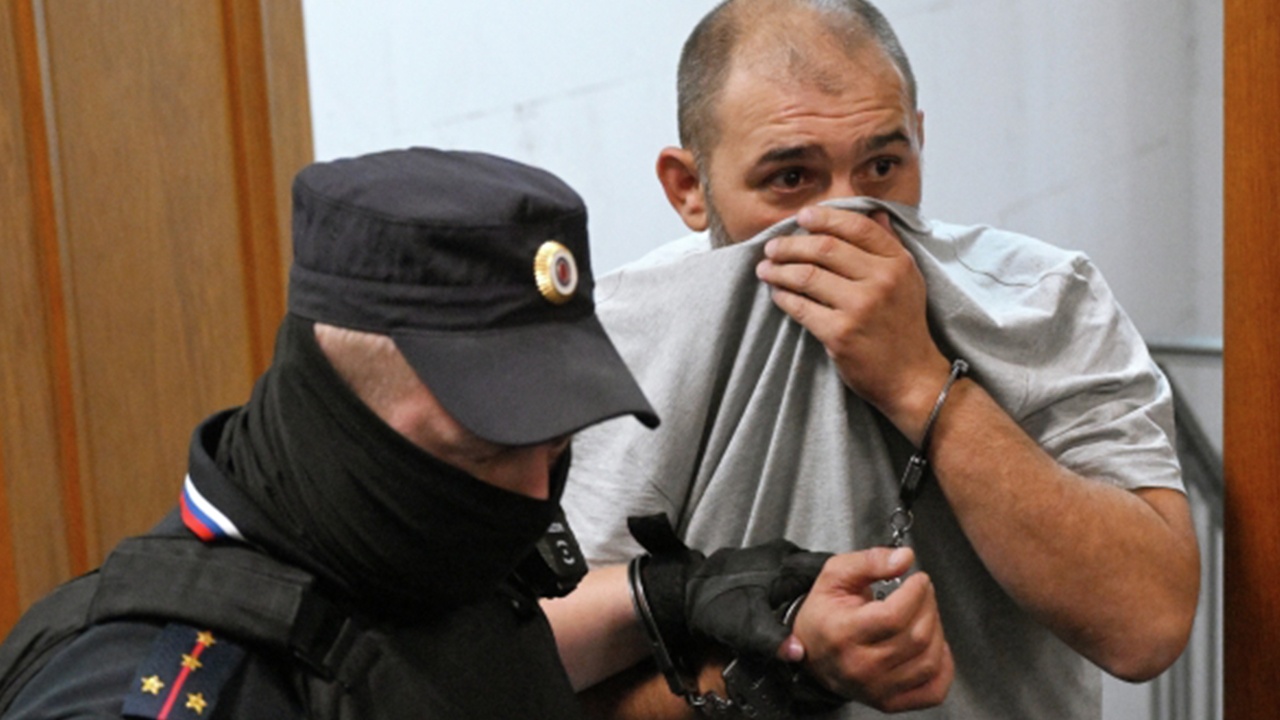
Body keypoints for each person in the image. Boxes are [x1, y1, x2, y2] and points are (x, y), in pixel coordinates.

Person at [543, 1, 1201, 718]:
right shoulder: (623, 344)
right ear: (689, 187)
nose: (847, 216)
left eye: (883, 166)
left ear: (919, 138)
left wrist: (920, 382)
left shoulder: (1043, 301)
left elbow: (1147, 624)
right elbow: (536, 676)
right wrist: (777, 673)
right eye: (791, 178)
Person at [0, 147, 672, 718]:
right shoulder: (150, 690)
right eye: (484, 452)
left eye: (557, 444)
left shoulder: (393, 543)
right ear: (338, 411)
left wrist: (666, 600)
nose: (534, 494)